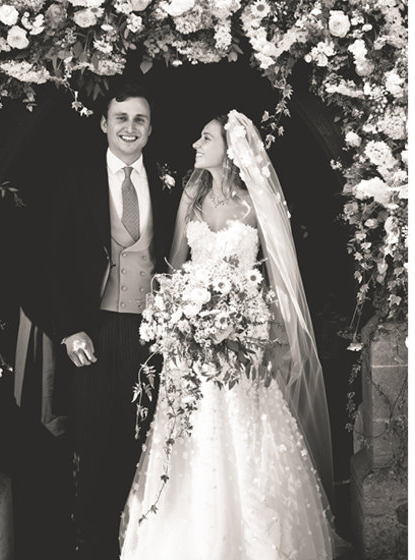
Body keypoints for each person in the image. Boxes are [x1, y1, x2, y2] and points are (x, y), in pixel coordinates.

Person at [120, 111, 334, 559]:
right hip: (191, 347)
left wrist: (261, 334)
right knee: (191, 435)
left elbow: (276, 280)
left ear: (229, 150)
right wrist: (178, 314)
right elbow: (175, 265)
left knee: (244, 435)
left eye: (205, 138)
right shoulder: (191, 198)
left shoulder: (254, 204)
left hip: (244, 341)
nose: (196, 144)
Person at [46, 83, 180, 558]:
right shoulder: (74, 177)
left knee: (145, 437)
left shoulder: (169, 178)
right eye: (120, 118)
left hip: (154, 331)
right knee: (94, 439)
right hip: (94, 330)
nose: (130, 127)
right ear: (104, 124)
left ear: (150, 128)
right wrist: (68, 328)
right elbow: (51, 259)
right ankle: (91, 542)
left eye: (139, 119)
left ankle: (142, 539)